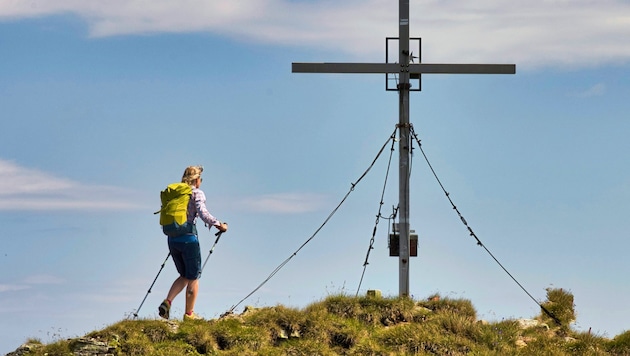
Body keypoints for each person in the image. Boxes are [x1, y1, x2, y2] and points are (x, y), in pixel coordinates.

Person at [158, 165, 228, 320]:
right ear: (197, 180)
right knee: (194, 276)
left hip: (172, 239)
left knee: (184, 275)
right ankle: (189, 315)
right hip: (189, 238)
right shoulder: (196, 193)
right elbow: (202, 213)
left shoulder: (177, 194)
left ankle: (167, 301)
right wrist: (219, 224)